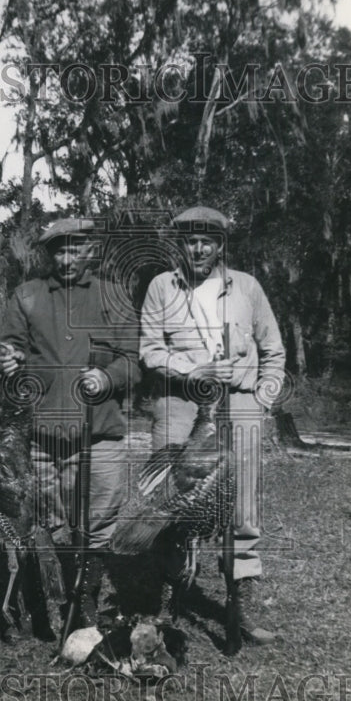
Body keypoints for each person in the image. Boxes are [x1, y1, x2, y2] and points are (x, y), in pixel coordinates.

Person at [139, 205, 286, 643]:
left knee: (241, 511)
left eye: (208, 240)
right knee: (171, 509)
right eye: (190, 240)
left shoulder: (247, 288)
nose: (199, 248)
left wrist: (260, 403)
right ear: (179, 245)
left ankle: (237, 608)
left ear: (221, 245)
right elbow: (149, 350)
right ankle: (167, 607)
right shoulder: (161, 287)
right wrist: (193, 370)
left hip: (239, 409)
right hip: (179, 407)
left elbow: (274, 355)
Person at [0, 217, 140, 632]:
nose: (66, 257)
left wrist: (108, 377)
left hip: (100, 431)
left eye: (74, 248)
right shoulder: (27, 296)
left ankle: (86, 604)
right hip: (43, 434)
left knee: (96, 522)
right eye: (58, 249)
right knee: (50, 523)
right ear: (48, 253)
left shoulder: (113, 296)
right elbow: (10, 352)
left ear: (89, 249)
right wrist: (10, 363)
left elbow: (133, 360)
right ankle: (50, 598)